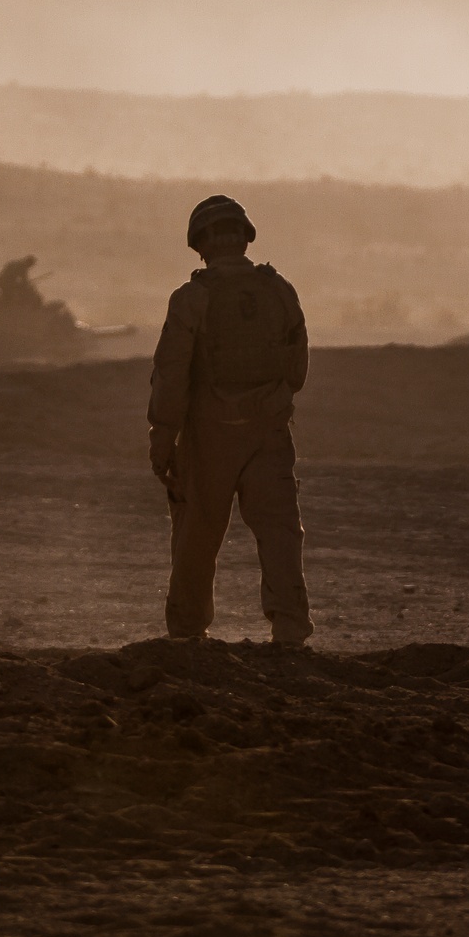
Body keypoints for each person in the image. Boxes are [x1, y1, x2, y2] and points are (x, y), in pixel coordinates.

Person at [147, 194, 313, 646]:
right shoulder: (279, 290)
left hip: (209, 436)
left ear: (200, 245)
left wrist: (162, 441)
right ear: (244, 238)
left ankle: (186, 634)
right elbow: (297, 370)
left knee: (197, 535)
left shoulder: (191, 299)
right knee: (279, 533)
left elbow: (171, 377)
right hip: (269, 434)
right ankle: (290, 631)